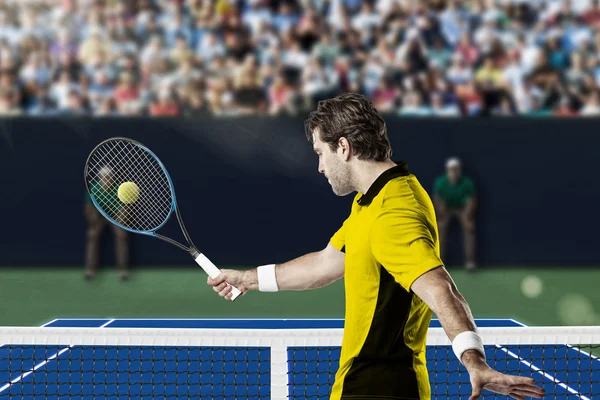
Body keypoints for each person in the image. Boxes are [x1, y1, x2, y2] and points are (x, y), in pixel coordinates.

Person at [207, 93, 544, 400]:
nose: (320, 166)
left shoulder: (394, 212)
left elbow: (442, 288)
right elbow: (324, 265)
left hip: (380, 386)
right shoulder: (372, 200)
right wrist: (246, 279)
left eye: (321, 154)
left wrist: (474, 361)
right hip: (364, 382)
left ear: (343, 147)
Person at [84, 166, 130, 280]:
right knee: (92, 235)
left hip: (114, 216)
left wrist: (119, 221)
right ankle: (90, 269)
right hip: (99, 216)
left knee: (121, 235)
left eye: (109, 178)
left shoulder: (120, 190)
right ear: (100, 178)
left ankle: (122, 270)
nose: (107, 180)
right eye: (104, 178)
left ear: (113, 179)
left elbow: (124, 208)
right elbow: (88, 209)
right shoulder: (93, 189)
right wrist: (94, 220)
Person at [433, 157, 477, 270]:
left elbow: (471, 201)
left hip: (462, 209)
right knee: (440, 228)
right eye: (451, 169)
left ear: (459, 170)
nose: (454, 172)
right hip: (446, 209)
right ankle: (439, 262)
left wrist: (467, 217)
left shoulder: (466, 182)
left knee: (469, 227)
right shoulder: (441, 182)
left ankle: (470, 262)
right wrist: (441, 215)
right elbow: (437, 200)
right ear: (447, 170)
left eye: (456, 169)